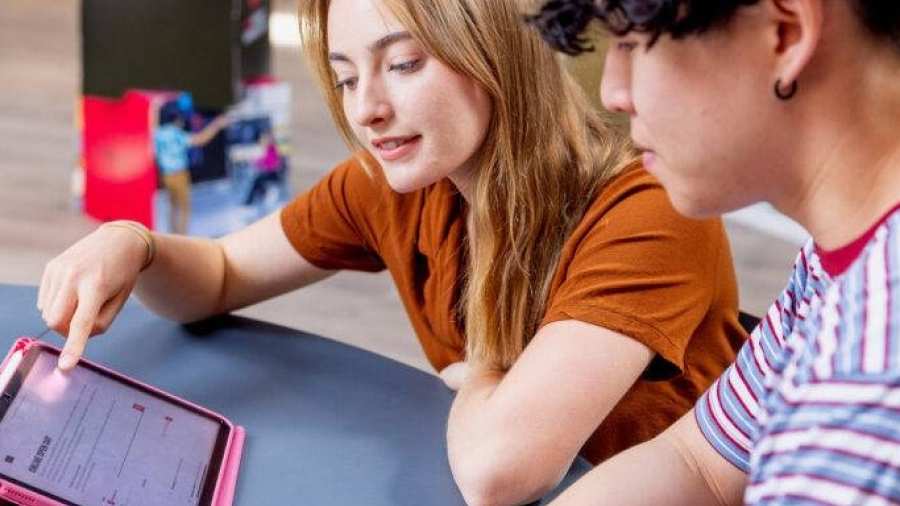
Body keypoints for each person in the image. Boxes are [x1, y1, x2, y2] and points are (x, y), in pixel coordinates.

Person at [38, 0, 746, 503]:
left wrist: (477, 374)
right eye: (347, 76)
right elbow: (222, 274)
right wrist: (135, 244)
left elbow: (502, 472)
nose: (365, 108)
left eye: (402, 63)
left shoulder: (649, 209)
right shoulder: (395, 183)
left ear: (494, 53)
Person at [527, 0, 900, 504]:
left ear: (785, 34)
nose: (613, 92)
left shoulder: (861, 400)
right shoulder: (836, 258)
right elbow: (700, 462)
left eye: (633, 44)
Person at [153, 99, 230, 234]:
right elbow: (200, 140)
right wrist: (217, 125)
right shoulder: (175, 133)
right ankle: (182, 238)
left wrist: (154, 108)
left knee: (172, 208)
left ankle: (172, 236)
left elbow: (152, 128)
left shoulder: (159, 133)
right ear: (176, 119)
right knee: (184, 208)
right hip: (179, 174)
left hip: (165, 176)